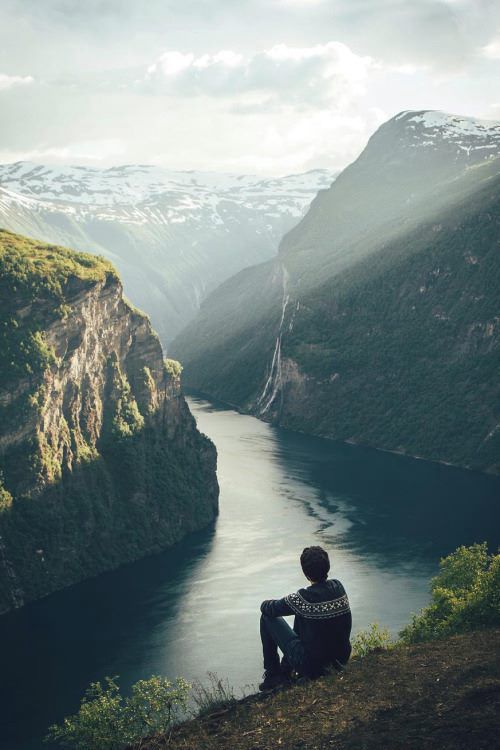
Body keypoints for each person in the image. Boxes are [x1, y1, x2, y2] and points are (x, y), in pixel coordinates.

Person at [259, 545, 352, 691]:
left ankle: (274, 675)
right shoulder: (338, 586)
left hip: (312, 666)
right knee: (303, 615)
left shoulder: (303, 598)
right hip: (340, 659)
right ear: (327, 567)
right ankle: (285, 670)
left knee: (266, 618)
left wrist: (265, 602)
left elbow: (269, 609)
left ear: (306, 574)